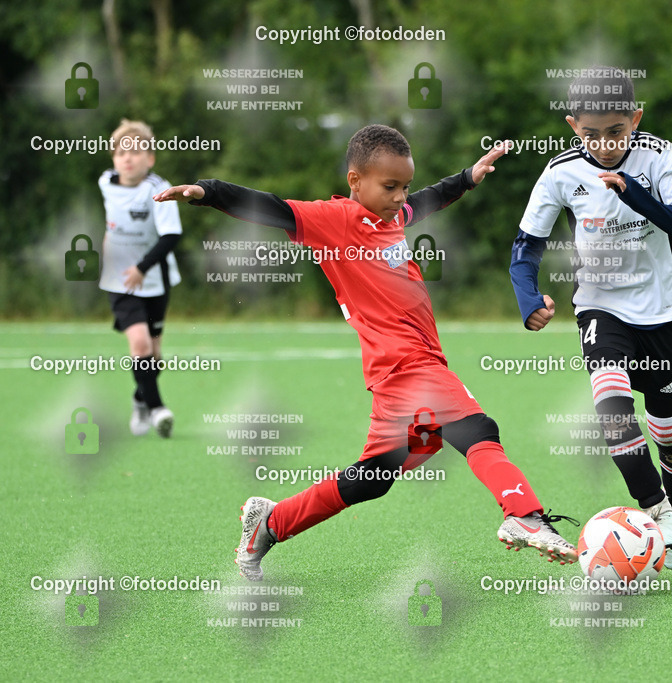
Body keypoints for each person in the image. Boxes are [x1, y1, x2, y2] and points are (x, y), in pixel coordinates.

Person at [154, 125, 577, 581]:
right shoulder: (334, 219)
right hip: (406, 365)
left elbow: (428, 200)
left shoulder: (391, 216)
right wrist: (208, 192)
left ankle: (271, 523)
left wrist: (467, 178)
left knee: (373, 477)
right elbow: (272, 207)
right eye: (390, 186)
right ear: (355, 181)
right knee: (476, 428)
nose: (400, 197)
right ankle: (524, 513)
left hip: (400, 370)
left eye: (404, 186)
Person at [509, 67, 672, 569]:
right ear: (573, 125)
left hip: (664, 311)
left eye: (616, 131)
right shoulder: (560, 172)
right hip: (601, 306)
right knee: (613, 408)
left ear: (635, 119)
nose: (603, 144)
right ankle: (655, 509)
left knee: (670, 432)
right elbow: (526, 246)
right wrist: (528, 298)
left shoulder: (660, 156)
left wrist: (633, 192)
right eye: (591, 133)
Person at [99, 119, 181, 437]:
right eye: (121, 152)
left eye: (135, 152)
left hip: (154, 277)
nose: (127, 158)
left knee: (154, 355)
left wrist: (142, 268)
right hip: (119, 279)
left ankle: (140, 399)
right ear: (113, 158)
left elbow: (170, 236)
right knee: (140, 343)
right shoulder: (106, 182)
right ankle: (158, 409)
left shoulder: (159, 190)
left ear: (150, 159)